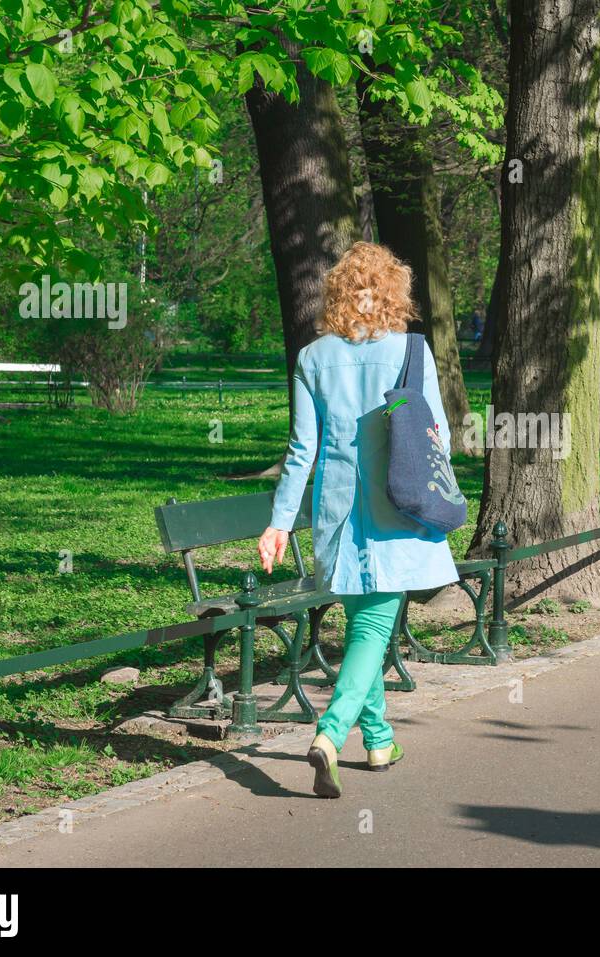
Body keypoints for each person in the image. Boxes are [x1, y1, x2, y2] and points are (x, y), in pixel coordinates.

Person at [257, 242, 459, 799]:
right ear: (394, 294)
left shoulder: (313, 358)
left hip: (337, 514)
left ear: (339, 296)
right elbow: (435, 435)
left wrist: (279, 524)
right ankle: (330, 732)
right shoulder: (410, 350)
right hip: (399, 508)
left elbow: (302, 450)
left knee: (363, 629)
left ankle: (379, 738)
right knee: (372, 630)